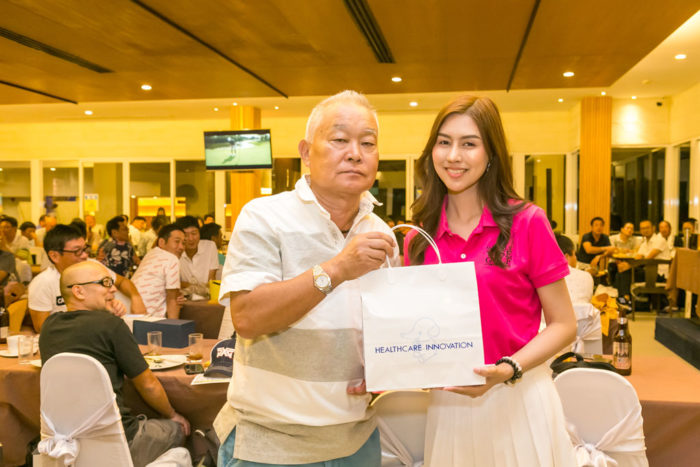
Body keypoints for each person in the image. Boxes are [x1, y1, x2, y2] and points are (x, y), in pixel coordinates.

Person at [214, 90, 397, 466]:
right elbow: (247, 317)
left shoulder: (381, 232)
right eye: (340, 139)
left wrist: (388, 367)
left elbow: (385, 328)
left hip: (357, 440)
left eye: (367, 143)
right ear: (306, 152)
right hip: (270, 443)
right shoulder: (264, 216)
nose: (355, 153)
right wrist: (338, 268)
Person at [405, 95, 576, 466]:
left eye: (469, 144)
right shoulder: (418, 239)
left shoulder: (527, 222)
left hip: (518, 396)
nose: (454, 156)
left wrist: (507, 369)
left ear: (491, 155)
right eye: (444, 142)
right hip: (449, 405)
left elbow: (564, 324)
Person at [39, 261, 190, 467]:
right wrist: (173, 414)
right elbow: (148, 384)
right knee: (177, 429)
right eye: (105, 283)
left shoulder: (48, 327)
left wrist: (107, 313)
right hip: (120, 442)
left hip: (65, 443)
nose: (113, 289)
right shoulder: (111, 326)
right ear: (79, 291)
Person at [28, 224, 147, 332]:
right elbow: (42, 328)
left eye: (85, 249)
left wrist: (135, 298)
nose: (85, 255)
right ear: (55, 256)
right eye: (77, 251)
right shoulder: (43, 283)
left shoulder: (93, 266)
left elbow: (121, 282)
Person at [132, 224, 185, 318]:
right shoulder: (172, 259)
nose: (181, 247)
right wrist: (174, 326)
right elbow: (172, 300)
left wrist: (176, 296)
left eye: (183, 243)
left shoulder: (150, 254)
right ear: (161, 242)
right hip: (147, 320)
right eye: (177, 241)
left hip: (128, 316)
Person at [615, 220, 671, 300]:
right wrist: (626, 265)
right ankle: (623, 300)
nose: (645, 230)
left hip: (659, 275)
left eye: (647, 228)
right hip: (648, 272)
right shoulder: (644, 243)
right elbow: (638, 257)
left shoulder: (660, 240)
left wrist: (629, 266)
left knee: (625, 274)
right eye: (642, 228)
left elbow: (648, 258)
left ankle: (626, 299)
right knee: (619, 274)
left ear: (653, 228)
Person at [175, 216, 219, 289]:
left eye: (194, 233)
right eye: (186, 235)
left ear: (199, 233)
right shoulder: (176, 252)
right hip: (184, 294)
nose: (191, 239)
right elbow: (175, 282)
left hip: (206, 293)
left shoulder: (210, 246)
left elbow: (211, 278)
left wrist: (189, 286)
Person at [556, 234, 594, 304]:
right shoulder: (586, 276)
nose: (575, 258)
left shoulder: (541, 278)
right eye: (574, 254)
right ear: (566, 257)